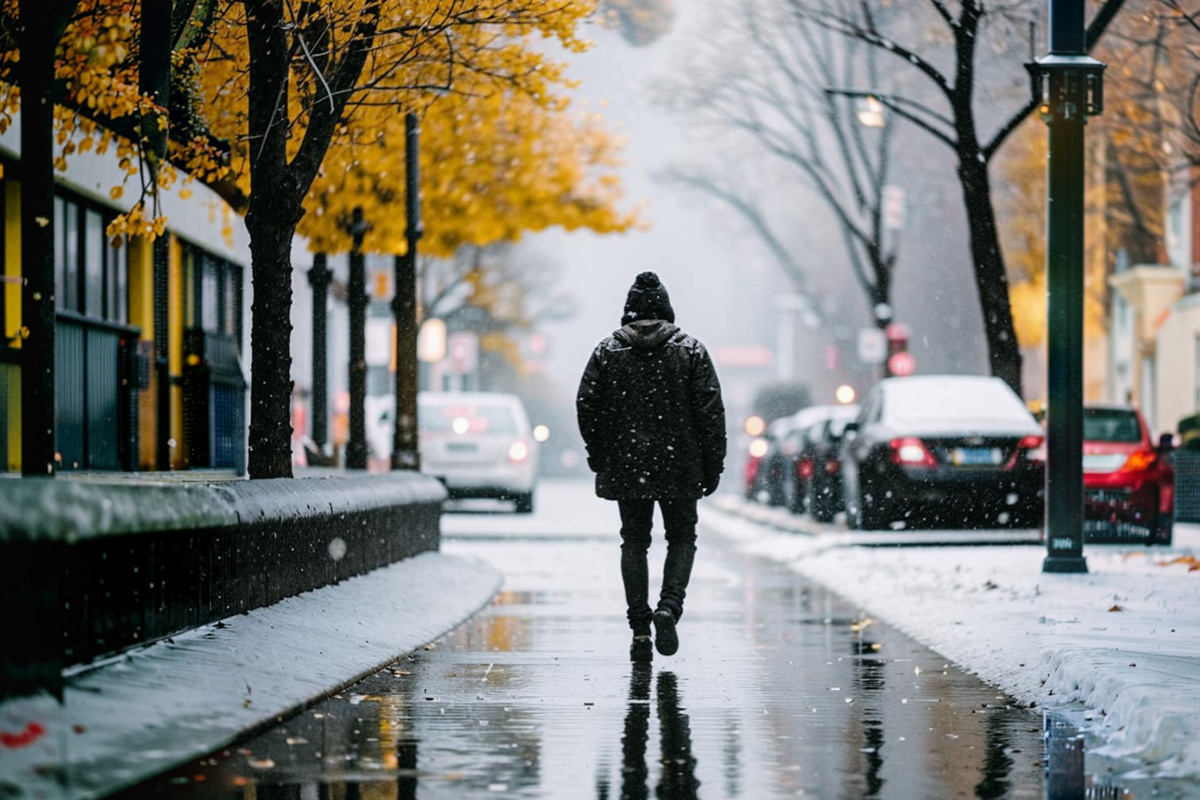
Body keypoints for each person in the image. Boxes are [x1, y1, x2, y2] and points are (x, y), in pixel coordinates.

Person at [576, 272, 726, 661]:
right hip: (681, 462)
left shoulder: (608, 351)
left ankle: (640, 627)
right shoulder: (691, 351)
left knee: (634, 540)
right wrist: (713, 465)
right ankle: (669, 608)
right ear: (666, 310)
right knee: (681, 538)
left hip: (627, 463)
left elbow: (586, 405)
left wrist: (600, 452)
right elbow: (711, 413)